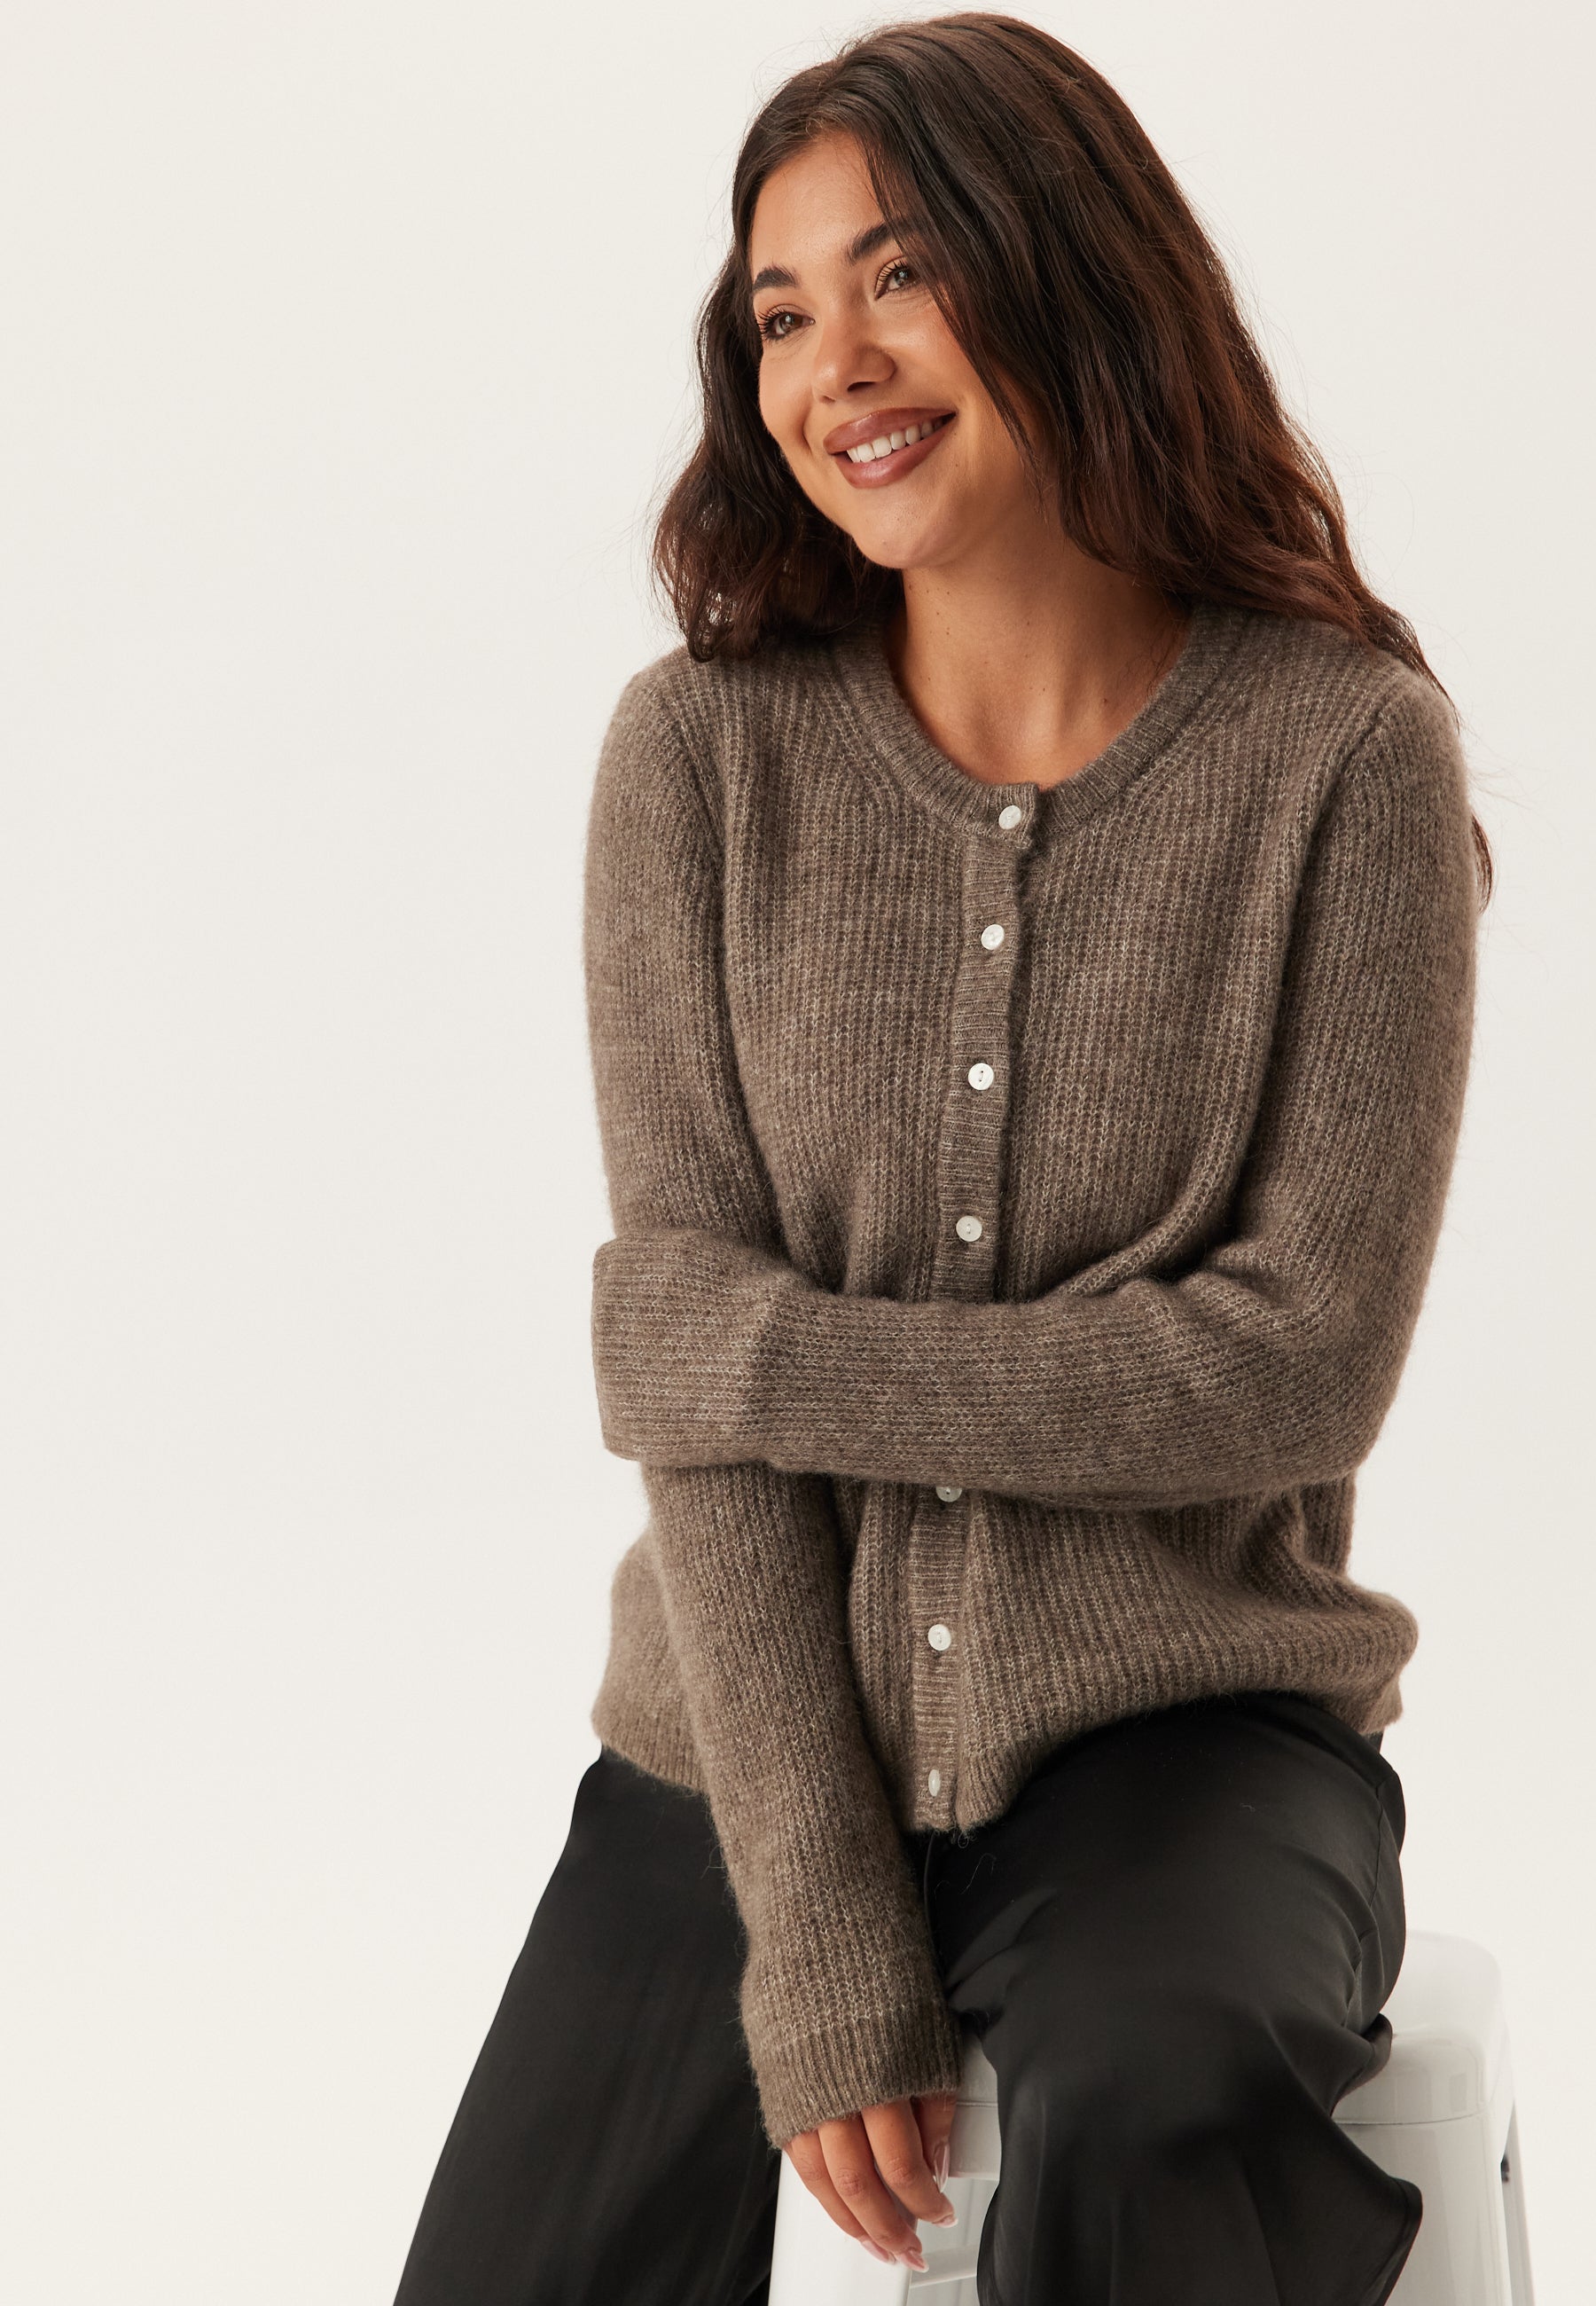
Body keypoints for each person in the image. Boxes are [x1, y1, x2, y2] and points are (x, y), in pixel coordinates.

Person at [392, 15, 1490, 2304]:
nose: (838, 368)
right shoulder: (697, 763)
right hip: (741, 1734)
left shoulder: (1347, 759)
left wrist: (765, 1358)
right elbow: (699, 1453)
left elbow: (1290, 1372)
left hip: (1189, 1739)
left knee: (1156, 2098)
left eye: (901, 275)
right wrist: (815, 1935)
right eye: (781, 313)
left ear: (1069, 267)